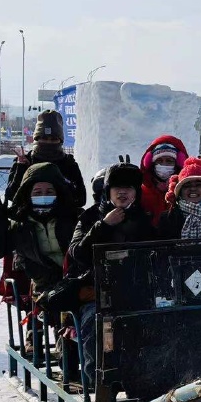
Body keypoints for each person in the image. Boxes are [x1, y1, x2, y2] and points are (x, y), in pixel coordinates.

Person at [67, 161, 157, 388]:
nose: (123, 192)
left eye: (128, 188)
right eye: (117, 188)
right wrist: (103, 226)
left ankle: (143, 384)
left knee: (151, 328)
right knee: (98, 328)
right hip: (97, 293)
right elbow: (77, 254)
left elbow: (157, 255)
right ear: (108, 191)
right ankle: (101, 388)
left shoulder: (144, 219)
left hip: (136, 293)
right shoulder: (89, 218)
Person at [0, 163, 79, 358]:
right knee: (56, 303)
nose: (43, 194)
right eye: (37, 191)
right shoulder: (20, 223)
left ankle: (72, 348)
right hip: (42, 282)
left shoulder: (73, 217)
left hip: (73, 279)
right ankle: (59, 344)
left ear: (59, 191)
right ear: (28, 193)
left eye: (49, 190)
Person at [4, 110, 86, 207]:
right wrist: (21, 170)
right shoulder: (24, 161)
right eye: (44, 138)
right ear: (37, 139)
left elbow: (81, 199)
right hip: (28, 219)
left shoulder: (69, 164)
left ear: (60, 140)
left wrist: (62, 181)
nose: (49, 142)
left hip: (61, 219)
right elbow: (11, 195)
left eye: (53, 139)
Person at [159, 157, 201, 240]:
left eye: (198, 185)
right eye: (187, 186)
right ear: (179, 191)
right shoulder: (167, 218)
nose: (193, 189)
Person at [138, 135, 189, 225]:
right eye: (159, 161)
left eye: (169, 161)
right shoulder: (140, 192)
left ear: (178, 163)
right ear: (151, 163)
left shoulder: (186, 191)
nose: (164, 165)